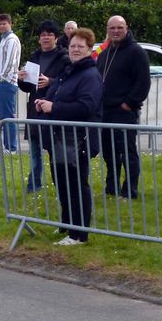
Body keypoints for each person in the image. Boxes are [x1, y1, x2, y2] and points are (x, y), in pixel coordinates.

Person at [34, 27, 102, 245]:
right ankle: (66, 224)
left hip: (78, 139)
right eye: (72, 46)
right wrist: (42, 102)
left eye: (80, 47)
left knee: (76, 184)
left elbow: (86, 107)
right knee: (61, 182)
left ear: (90, 49)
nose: (75, 50)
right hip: (59, 138)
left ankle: (79, 233)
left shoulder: (90, 75)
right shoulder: (68, 71)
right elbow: (54, 94)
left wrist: (53, 107)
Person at [96, 15, 151, 199]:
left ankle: (130, 190)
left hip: (125, 111)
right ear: (107, 30)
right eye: (112, 28)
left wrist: (129, 104)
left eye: (119, 28)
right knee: (109, 153)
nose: (116, 31)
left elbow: (143, 82)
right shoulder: (104, 54)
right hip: (106, 111)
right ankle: (111, 187)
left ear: (126, 28)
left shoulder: (136, 52)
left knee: (127, 152)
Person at [19, 20, 70, 191]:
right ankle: (34, 184)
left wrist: (50, 82)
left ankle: (61, 185)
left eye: (49, 34)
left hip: (53, 110)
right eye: (42, 35)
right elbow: (28, 87)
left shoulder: (64, 58)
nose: (46, 37)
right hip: (35, 109)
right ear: (39, 39)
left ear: (56, 38)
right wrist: (21, 79)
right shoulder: (34, 57)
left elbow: (68, 82)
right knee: (34, 151)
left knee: (55, 151)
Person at [0, 13, 22, 152]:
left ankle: (11, 147)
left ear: (10, 24)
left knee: (8, 116)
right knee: (3, 115)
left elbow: (10, 62)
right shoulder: (3, 40)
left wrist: (1, 78)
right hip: (1, 82)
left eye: (4, 23)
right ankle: (7, 146)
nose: (1, 26)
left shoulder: (11, 39)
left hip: (7, 82)